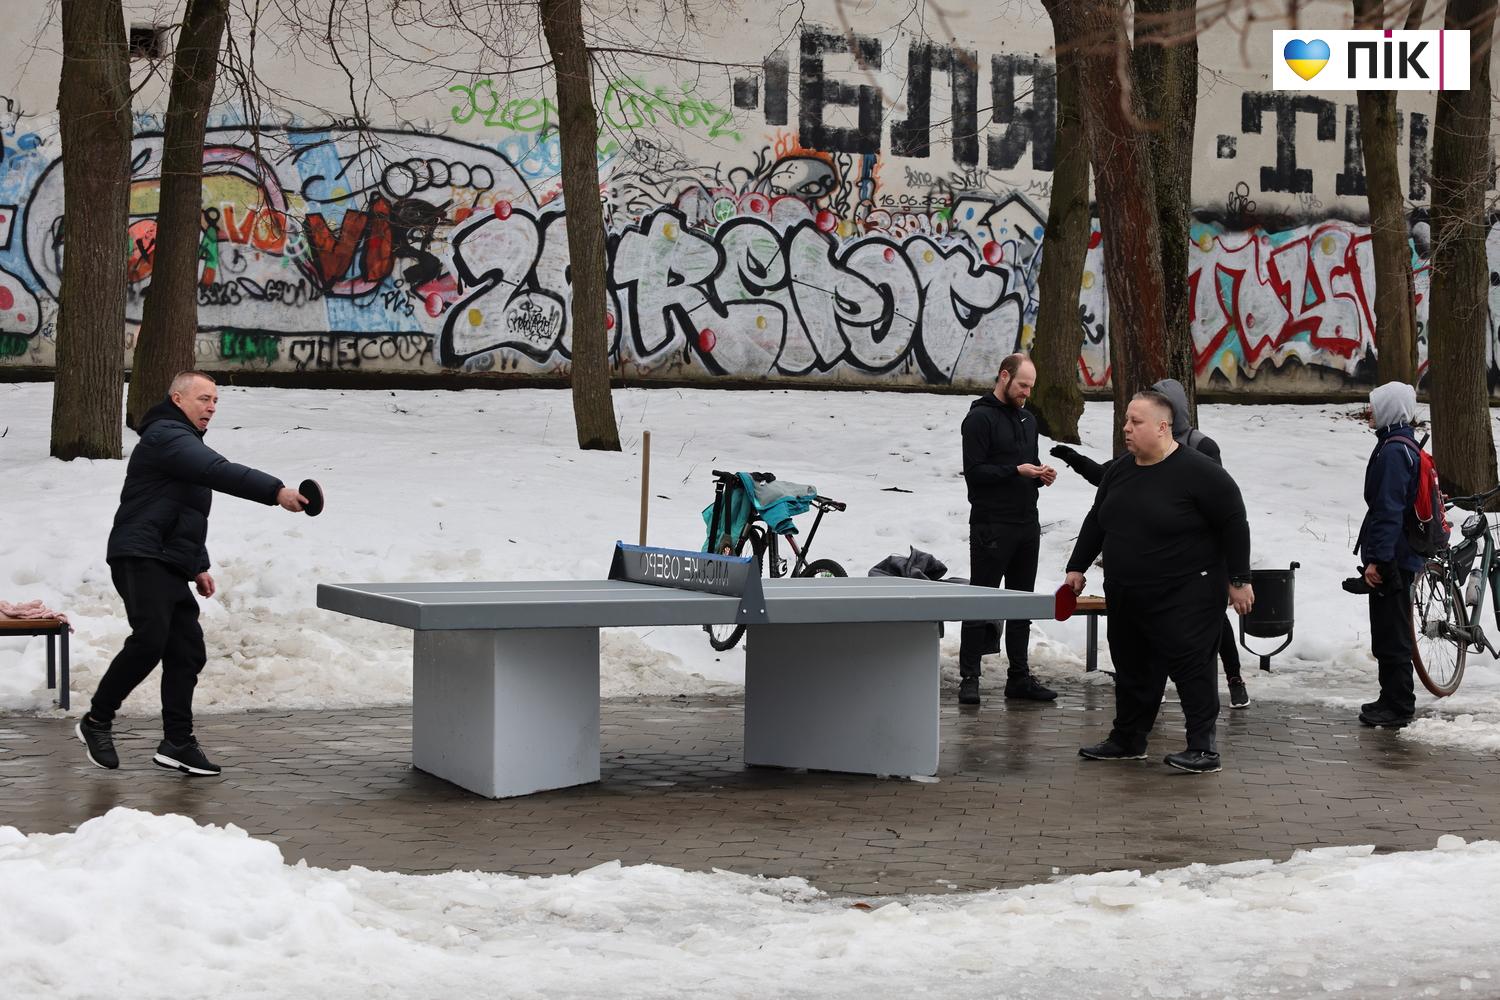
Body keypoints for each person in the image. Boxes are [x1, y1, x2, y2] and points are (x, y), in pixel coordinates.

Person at [75, 371, 307, 776]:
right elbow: (220, 471)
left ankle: (177, 742)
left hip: (166, 559)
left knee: (186, 650)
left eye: (215, 400)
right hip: (141, 555)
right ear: (178, 398)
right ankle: (95, 722)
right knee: (150, 639)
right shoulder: (167, 436)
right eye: (203, 399)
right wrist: (276, 491)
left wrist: (198, 564)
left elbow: (184, 514)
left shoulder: (185, 445)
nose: (212, 407)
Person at [1064, 390, 1254, 774]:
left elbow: (1234, 522)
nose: (1127, 428)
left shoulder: (1200, 472)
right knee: (1132, 668)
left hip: (1187, 593)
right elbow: (1096, 519)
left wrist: (1239, 579)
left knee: (1191, 669)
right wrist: (1076, 567)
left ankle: (1203, 749)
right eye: (1126, 421)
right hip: (1129, 592)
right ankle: (1128, 739)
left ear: (1163, 427)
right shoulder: (1120, 470)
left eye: (1136, 422)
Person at [958, 353, 1059, 705]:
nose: (1026, 393)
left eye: (1030, 387)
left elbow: (1024, 467)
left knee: (1021, 603)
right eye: (1022, 385)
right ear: (1004, 376)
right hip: (991, 525)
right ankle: (969, 676)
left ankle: (1019, 676)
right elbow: (975, 474)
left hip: (1025, 523)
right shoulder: (979, 419)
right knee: (979, 602)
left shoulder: (1027, 419)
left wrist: (1040, 476)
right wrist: (1016, 471)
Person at [1352, 381, 1424, 728]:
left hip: (1394, 555)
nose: (1370, 411)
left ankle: (1398, 705)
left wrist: (1379, 560)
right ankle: (1390, 696)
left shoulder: (1394, 451)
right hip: (1399, 551)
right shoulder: (1400, 444)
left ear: (1390, 409)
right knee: (1388, 628)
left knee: (1391, 631)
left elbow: (1388, 509)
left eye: (1375, 406)